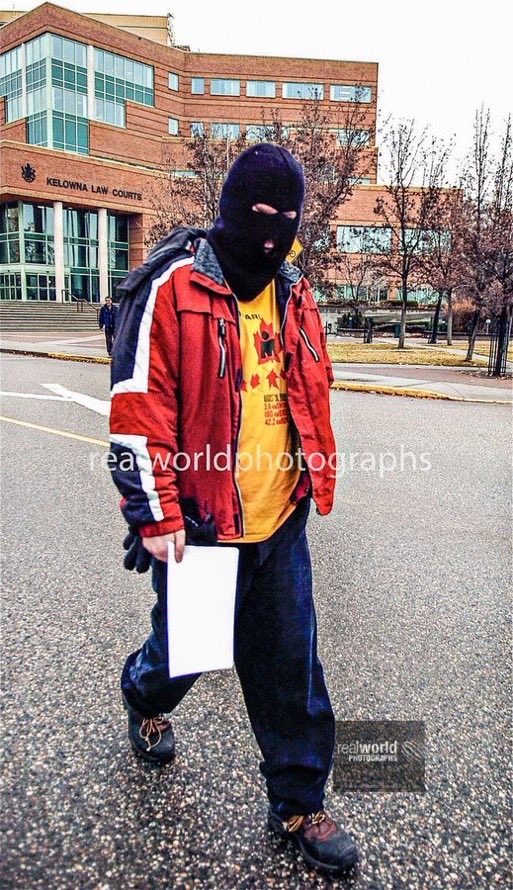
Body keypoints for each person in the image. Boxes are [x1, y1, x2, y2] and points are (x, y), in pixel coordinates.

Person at [108, 144, 358, 875]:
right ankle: (142, 694)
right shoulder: (174, 288)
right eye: (259, 217)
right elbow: (137, 411)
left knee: (291, 672)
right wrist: (154, 516)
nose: (273, 233)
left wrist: (312, 477)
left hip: (279, 521)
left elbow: (310, 390)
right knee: (185, 658)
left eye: (287, 220)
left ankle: (298, 802)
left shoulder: (294, 292)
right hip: (201, 525)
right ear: (228, 212)